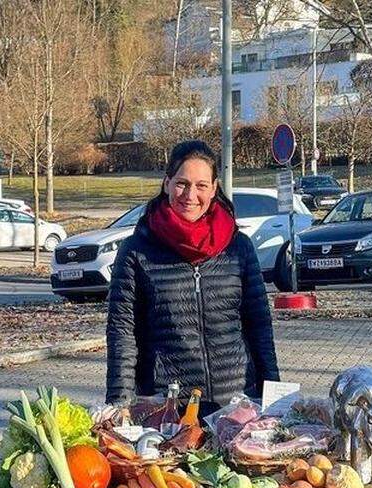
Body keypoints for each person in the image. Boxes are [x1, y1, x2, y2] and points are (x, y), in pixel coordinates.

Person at [105, 140, 280, 411]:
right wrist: (119, 405)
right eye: (182, 183)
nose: (190, 195)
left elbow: (259, 326)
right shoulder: (136, 251)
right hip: (167, 406)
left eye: (201, 185)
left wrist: (274, 397)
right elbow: (122, 334)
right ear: (166, 184)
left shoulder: (238, 247)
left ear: (214, 188)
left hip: (236, 405)